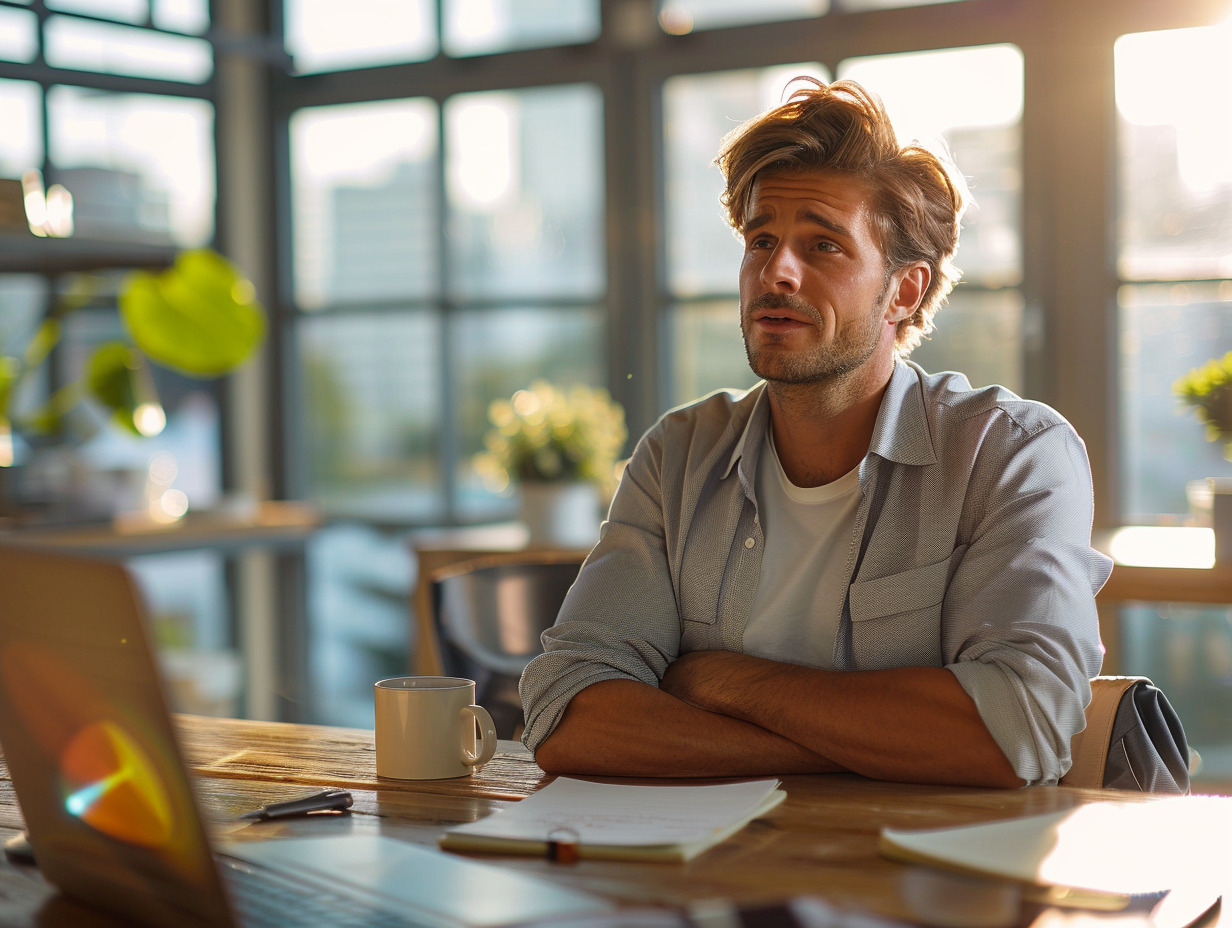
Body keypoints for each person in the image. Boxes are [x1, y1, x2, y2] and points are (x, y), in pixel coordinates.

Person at [518, 77, 1111, 788]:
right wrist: (862, 752)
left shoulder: (1013, 454)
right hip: (698, 877)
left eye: (823, 245)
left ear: (904, 291)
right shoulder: (676, 456)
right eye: (760, 240)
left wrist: (726, 682)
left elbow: (1016, 729)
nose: (776, 272)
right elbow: (568, 716)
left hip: (925, 884)